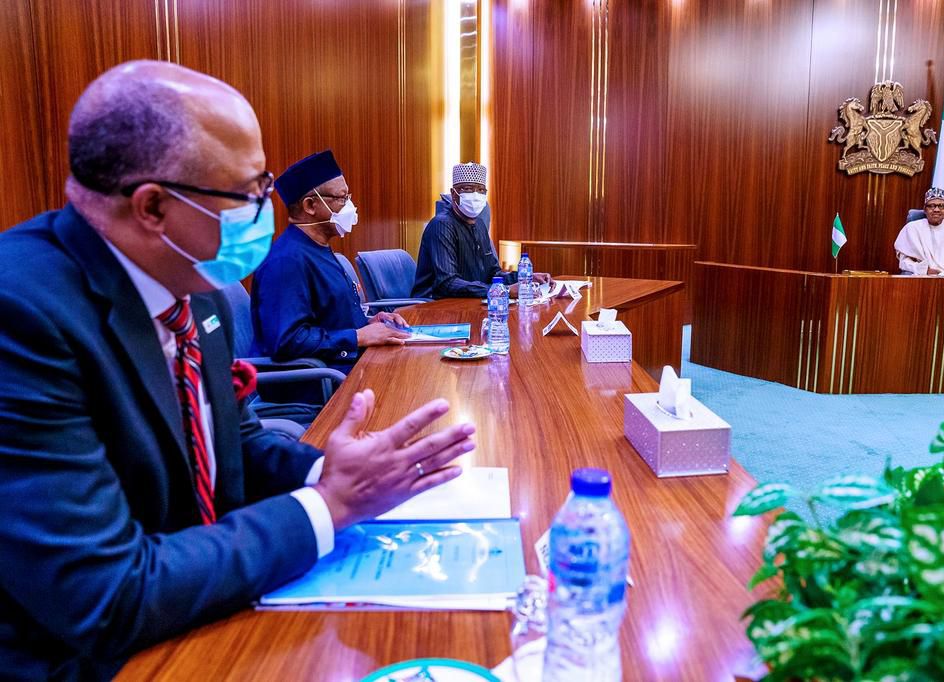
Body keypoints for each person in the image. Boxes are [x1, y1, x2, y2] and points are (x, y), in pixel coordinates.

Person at [0, 60, 474, 680]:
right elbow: (104, 596)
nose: (264, 211)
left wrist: (327, 469)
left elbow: (232, 441)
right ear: (151, 207)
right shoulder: (22, 314)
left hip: (207, 603)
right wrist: (325, 508)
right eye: (248, 192)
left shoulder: (192, 282)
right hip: (93, 658)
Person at [250, 150, 410, 374]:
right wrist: (357, 337)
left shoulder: (319, 249)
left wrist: (371, 322)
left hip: (344, 369)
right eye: (341, 198)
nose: (349, 206)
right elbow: (287, 341)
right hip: (316, 385)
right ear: (310, 206)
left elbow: (329, 318)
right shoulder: (286, 261)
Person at [412, 162, 551, 298]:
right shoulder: (442, 225)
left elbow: (492, 274)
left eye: (481, 190)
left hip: (467, 304)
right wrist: (505, 291)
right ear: (454, 194)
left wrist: (524, 278)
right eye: (467, 189)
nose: (475, 194)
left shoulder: (479, 225)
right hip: (433, 306)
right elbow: (448, 283)